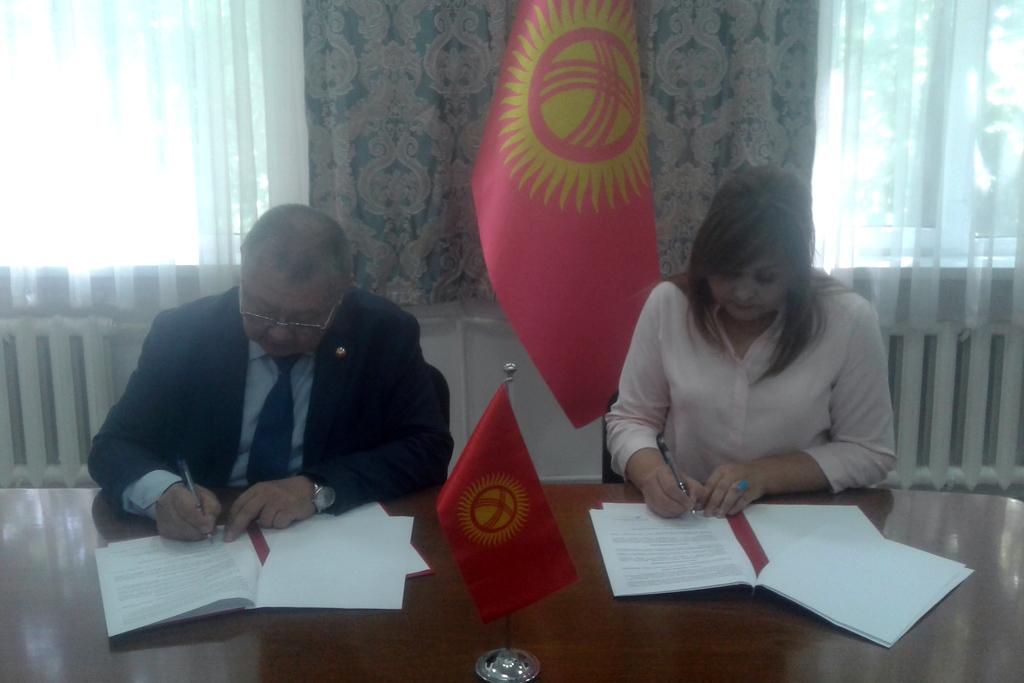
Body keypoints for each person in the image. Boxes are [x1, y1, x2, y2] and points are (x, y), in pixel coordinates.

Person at [89, 204, 453, 541]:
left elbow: (428, 448)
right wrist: (162, 494)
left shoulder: (382, 333)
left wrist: (316, 488)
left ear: (340, 294)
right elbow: (113, 445)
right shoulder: (183, 334)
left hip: (327, 535)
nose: (278, 333)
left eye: (304, 320)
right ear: (242, 275)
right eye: (260, 311)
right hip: (211, 535)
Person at [606, 166, 895, 519]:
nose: (743, 293)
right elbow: (631, 419)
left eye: (766, 278)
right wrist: (653, 475)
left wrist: (764, 475)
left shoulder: (847, 318)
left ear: (796, 270)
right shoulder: (671, 304)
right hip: (692, 517)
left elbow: (869, 451)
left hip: (799, 517)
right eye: (728, 274)